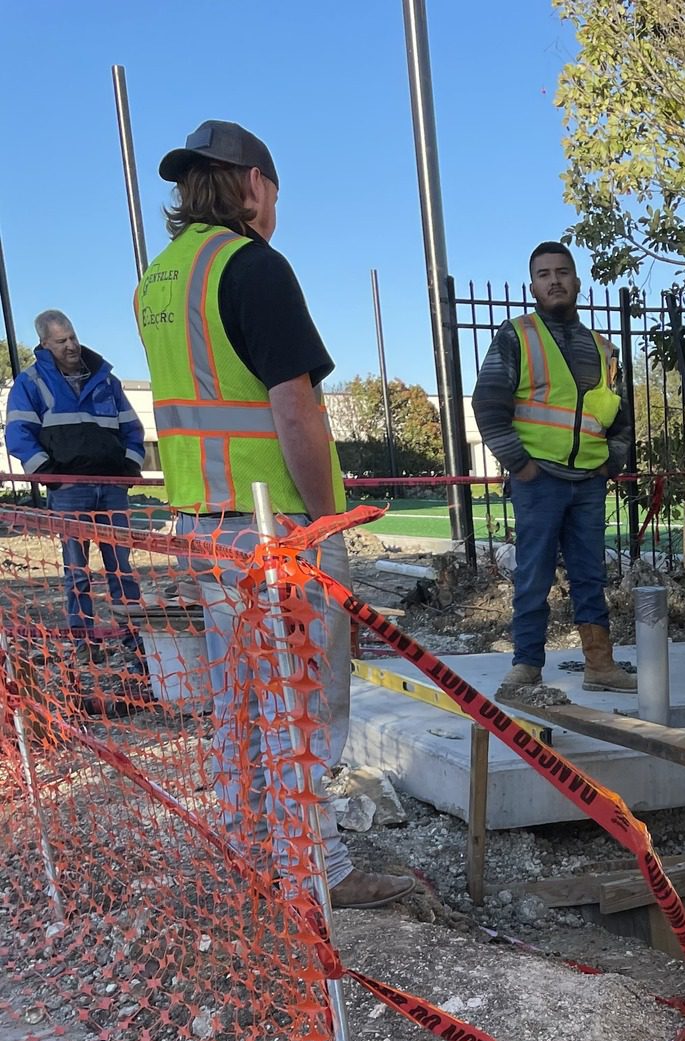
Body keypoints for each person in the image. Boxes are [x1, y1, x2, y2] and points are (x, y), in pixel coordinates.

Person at [136, 121, 409, 908]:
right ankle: (318, 868)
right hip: (277, 526)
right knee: (303, 697)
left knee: (242, 702)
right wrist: (327, 522)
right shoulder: (252, 266)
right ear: (255, 184)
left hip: (205, 524)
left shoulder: (159, 280)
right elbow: (295, 411)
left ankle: (250, 850)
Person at [471, 241, 634, 698]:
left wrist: (609, 465)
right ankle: (526, 664)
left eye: (562, 272)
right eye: (544, 274)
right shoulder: (516, 335)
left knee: (590, 574)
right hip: (538, 480)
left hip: (587, 483)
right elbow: (487, 404)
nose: (555, 280)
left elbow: (621, 417)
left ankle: (599, 665)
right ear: (533, 286)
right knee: (534, 574)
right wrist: (519, 465)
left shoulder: (602, 349)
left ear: (577, 282)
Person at [4, 310, 154, 707]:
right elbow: (18, 432)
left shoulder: (106, 380)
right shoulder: (32, 382)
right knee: (77, 572)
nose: (70, 346)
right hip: (69, 492)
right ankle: (84, 642)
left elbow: (133, 429)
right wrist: (49, 474)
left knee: (122, 570)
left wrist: (129, 465)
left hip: (112, 489)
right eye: (60, 341)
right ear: (44, 345)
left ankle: (134, 642)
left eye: (71, 337)